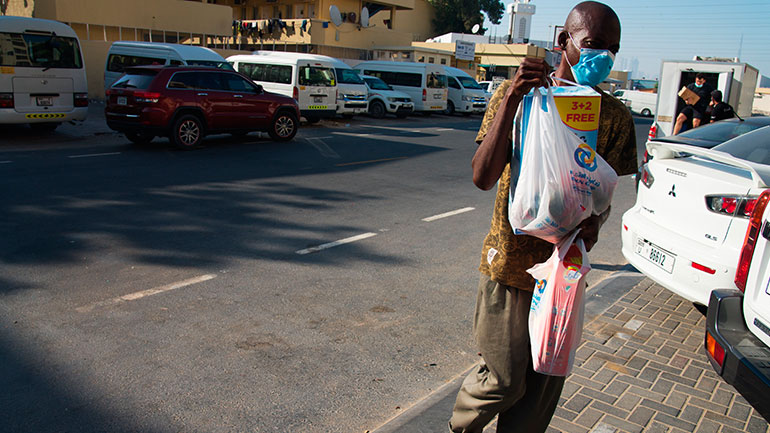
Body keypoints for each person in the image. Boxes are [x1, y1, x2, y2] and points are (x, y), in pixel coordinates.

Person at [449, 2, 637, 432]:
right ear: (562, 43)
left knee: (537, 401)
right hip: (509, 265)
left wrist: (597, 221)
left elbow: (603, 192)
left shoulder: (615, 117)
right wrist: (514, 96)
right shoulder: (517, 94)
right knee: (504, 381)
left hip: (563, 275)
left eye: (612, 48)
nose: (602, 56)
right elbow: (482, 177)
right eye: (591, 44)